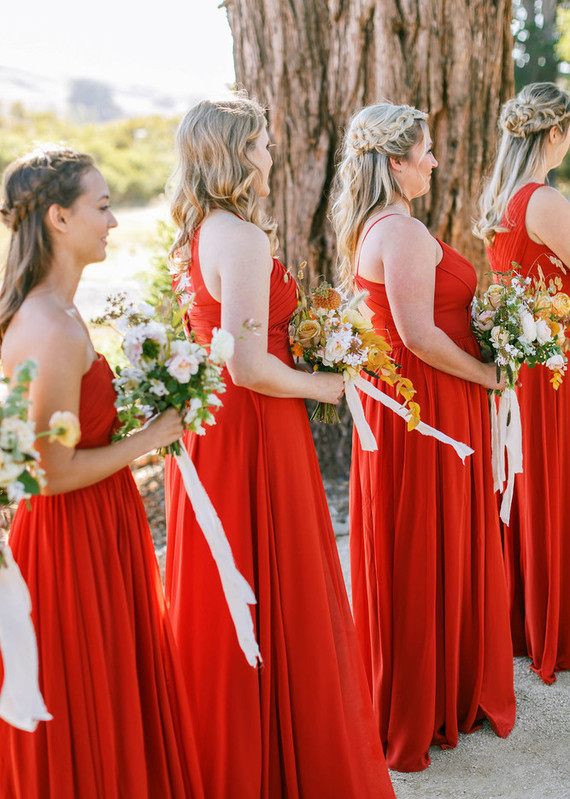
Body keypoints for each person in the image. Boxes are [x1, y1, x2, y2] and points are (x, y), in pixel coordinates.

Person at [164, 97, 396, 798]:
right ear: (235, 153)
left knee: (237, 581)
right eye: (261, 141)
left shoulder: (203, 230)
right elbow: (247, 365)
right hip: (254, 426)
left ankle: (246, 747)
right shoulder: (238, 236)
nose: (271, 151)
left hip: (221, 426)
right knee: (272, 577)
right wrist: (326, 385)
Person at [0, 147, 204, 799]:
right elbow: (50, 472)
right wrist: (152, 437)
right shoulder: (49, 327)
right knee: (85, 703)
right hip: (68, 539)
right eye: (104, 206)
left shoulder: (64, 312)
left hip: (102, 524)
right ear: (59, 218)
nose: (114, 222)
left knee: (114, 693)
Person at [332, 102, 516, 772]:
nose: (435, 161)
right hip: (428, 410)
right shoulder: (400, 233)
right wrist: (488, 375)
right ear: (394, 161)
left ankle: (437, 684)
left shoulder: (379, 225)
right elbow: (418, 336)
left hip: (417, 407)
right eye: (426, 151)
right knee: (426, 542)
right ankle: (426, 698)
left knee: (427, 542)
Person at [475, 82, 570, 684]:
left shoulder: (502, 200)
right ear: (554, 133)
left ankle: (529, 617)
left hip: (528, 367)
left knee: (537, 481)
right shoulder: (545, 200)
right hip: (558, 360)